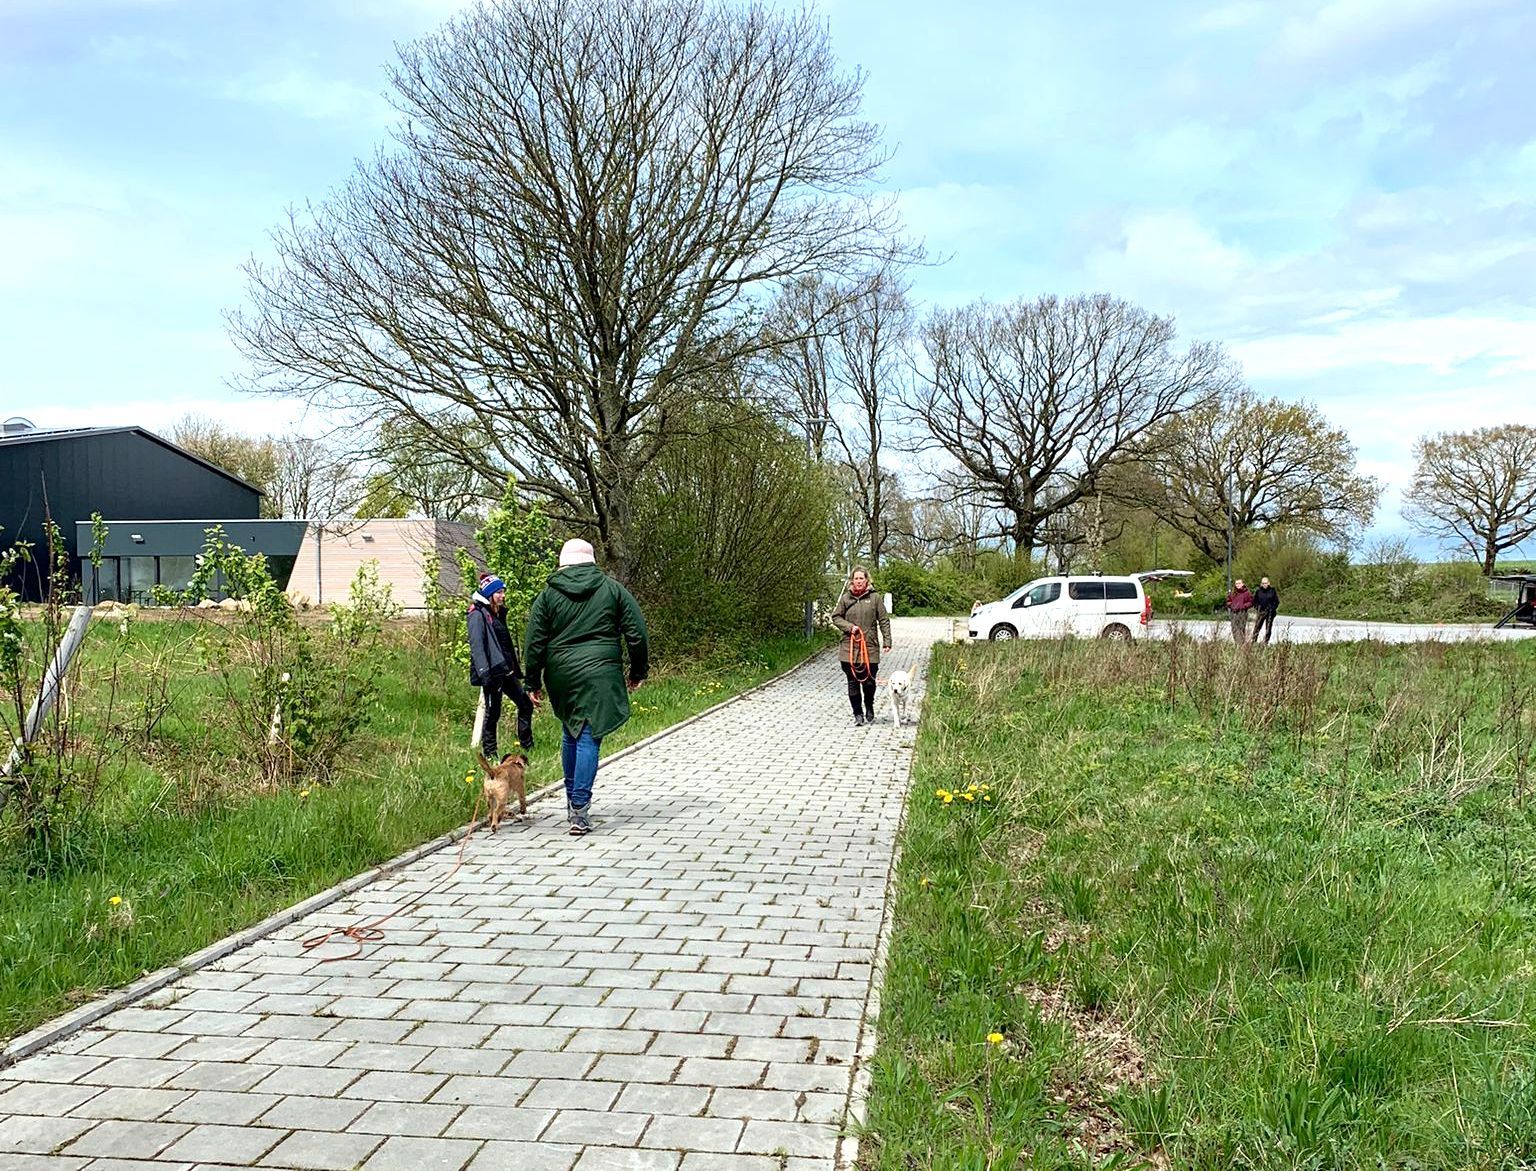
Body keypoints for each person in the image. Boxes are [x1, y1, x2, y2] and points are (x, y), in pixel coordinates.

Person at [523, 538, 649, 836]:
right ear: (591, 560)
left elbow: (534, 642)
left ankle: (572, 802)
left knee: (571, 730)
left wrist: (532, 681)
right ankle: (579, 811)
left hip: (562, 674)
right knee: (589, 736)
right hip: (601, 673)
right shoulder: (613, 589)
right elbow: (637, 634)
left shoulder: (547, 596)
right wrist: (638, 670)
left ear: (563, 563)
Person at [467, 573, 534, 760]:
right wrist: (484, 673)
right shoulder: (477, 614)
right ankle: (490, 753)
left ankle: (527, 745)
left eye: (503, 591)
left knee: (525, 704)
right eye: (499, 592)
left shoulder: (496, 613)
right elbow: (477, 646)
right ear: (489, 594)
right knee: (493, 713)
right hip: (492, 673)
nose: (503, 596)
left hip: (506, 671)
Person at [831, 566, 893, 727]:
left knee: (869, 682)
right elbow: (836, 617)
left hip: (869, 646)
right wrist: (849, 627)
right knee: (852, 682)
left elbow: (884, 620)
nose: (859, 581)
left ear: (867, 580)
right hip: (849, 647)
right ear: (852, 580)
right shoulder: (845, 599)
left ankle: (869, 706)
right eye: (856, 578)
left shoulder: (875, 598)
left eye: (861, 578)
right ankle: (857, 713)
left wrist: (887, 641)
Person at [1252, 576, 1280, 644]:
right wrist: (1257, 608)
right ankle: (1254, 641)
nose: (1264, 584)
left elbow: (1276, 601)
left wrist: (1272, 608)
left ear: (1269, 583)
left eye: (1266, 583)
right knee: (1257, 627)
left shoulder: (1272, 591)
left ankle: (1265, 642)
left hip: (1270, 612)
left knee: (1268, 628)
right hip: (1261, 611)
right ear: (1261, 584)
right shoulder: (1258, 591)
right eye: (1263, 583)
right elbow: (1254, 601)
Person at [1225, 578, 1254, 644]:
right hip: (1234, 612)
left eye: (1239, 583)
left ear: (1242, 584)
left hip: (1242, 612)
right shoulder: (1232, 593)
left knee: (1241, 628)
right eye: (1236, 584)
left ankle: (1241, 643)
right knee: (1234, 628)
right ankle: (1237, 643)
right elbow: (1228, 601)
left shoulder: (1247, 593)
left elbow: (1251, 602)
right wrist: (1231, 605)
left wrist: (1244, 606)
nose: (1238, 585)